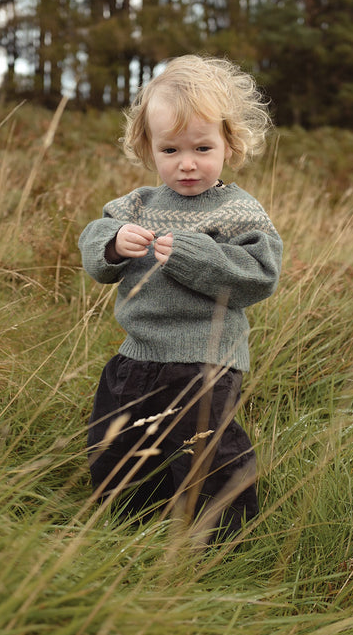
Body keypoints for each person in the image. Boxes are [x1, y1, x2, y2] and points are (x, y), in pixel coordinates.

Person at [78, 54, 283, 542]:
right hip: (137, 356)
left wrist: (195, 256)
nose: (186, 163)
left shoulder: (238, 211)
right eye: (170, 149)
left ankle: (223, 543)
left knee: (206, 454)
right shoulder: (137, 205)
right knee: (117, 444)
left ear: (229, 144)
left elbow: (259, 276)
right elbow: (93, 242)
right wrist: (112, 241)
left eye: (202, 147)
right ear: (148, 148)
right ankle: (128, 528)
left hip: (206, 362)